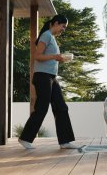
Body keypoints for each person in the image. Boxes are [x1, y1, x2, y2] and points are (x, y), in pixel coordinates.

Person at [18, 14, 77, 149]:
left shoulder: (52, 38)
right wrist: (55, 56)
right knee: (42, 107)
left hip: (51, 77)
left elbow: (49, 58)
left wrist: (59, 58)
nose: (64, 29)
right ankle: (25, 138)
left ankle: (65, 141)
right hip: (42, 76)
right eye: (63, 26)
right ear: (56, 23)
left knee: (61, 106)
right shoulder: (46, 35)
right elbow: (37, 56)